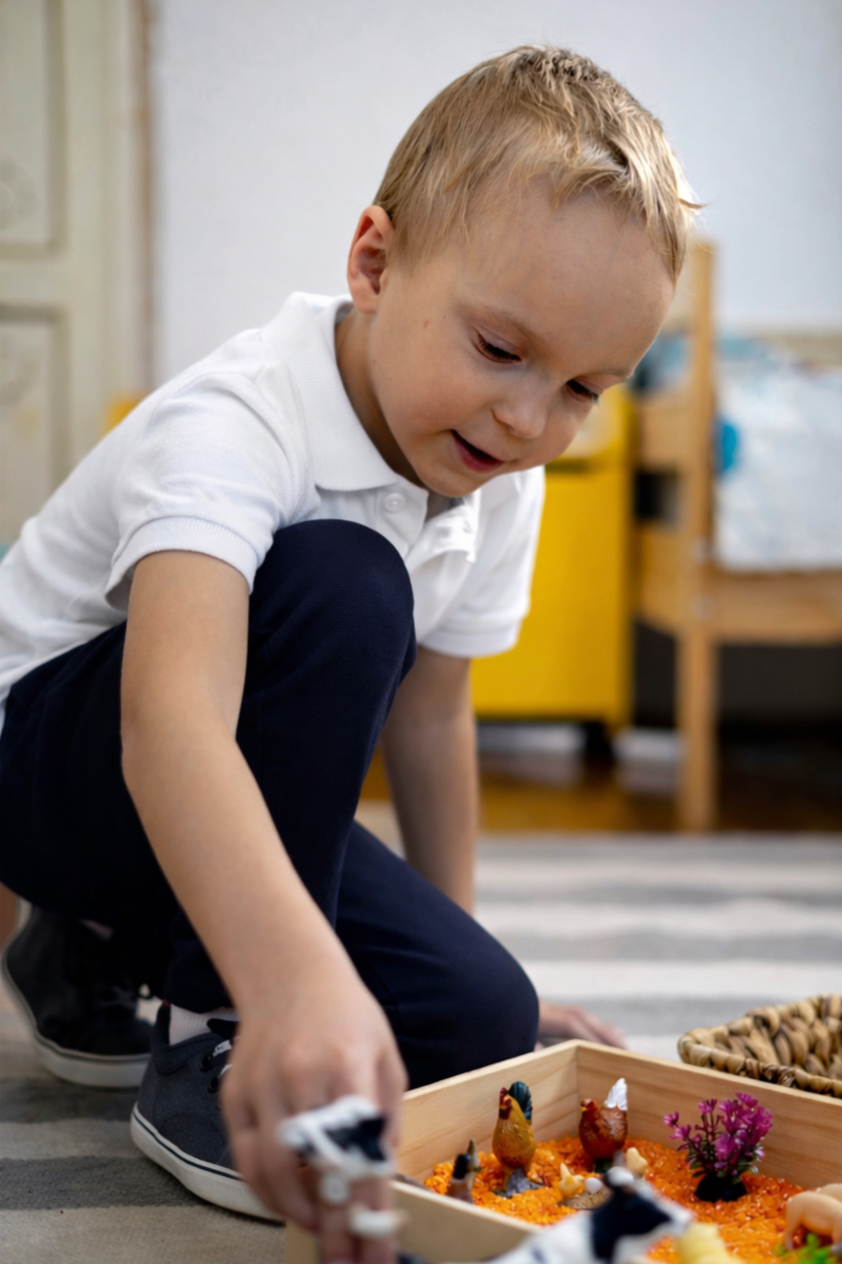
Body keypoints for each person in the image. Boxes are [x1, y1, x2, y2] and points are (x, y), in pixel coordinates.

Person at [0, 44, 692, 1264]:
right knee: (342, 578)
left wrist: (477, 961)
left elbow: (431, 719)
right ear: (373, 262)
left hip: (179, 793)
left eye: (582, 386)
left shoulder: (493, 464)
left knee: (477, 1019)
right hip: (47, 769)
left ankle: (92, 945)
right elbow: (171, 722)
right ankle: (205, 1028)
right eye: (497, 349)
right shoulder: (235, 426)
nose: (528, 419)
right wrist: (278, 988)